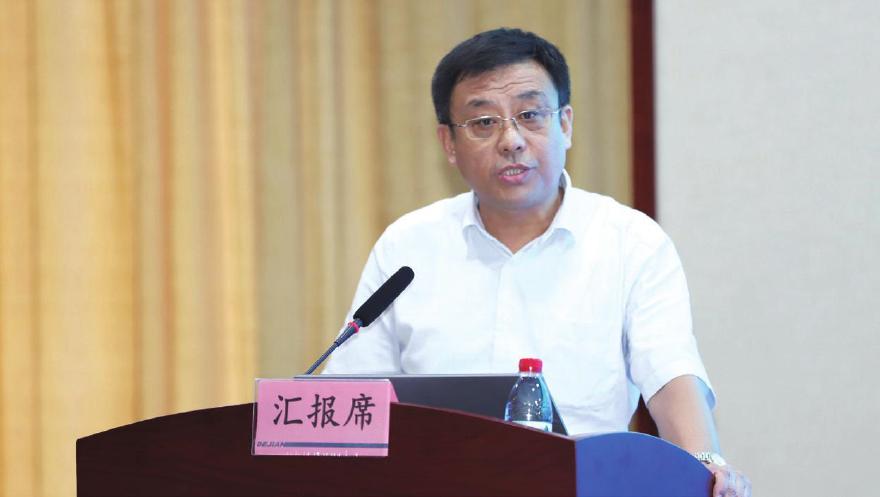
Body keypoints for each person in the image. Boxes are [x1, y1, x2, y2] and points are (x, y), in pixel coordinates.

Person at [323, 28, 750, 497]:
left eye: (530, 115)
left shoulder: (630, 242)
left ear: (565, 124)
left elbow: (669, 373)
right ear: (448, 143)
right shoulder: (407, 246)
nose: (511, 140)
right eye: (483, 122)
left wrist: (705, 464)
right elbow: (351, 394)